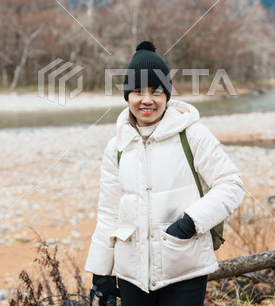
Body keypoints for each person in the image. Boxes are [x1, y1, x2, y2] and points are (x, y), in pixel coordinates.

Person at [85, 41, 245, 306]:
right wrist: (101, 273)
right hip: (131, 275)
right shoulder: (116, 147)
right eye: (138, 91)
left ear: (167, 95)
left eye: (156, 91)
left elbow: (232, 184)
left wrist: (191, 222)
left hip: (184, 267)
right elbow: (108, 213)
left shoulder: (192, 134)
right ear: (127, 96)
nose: (147, 99)